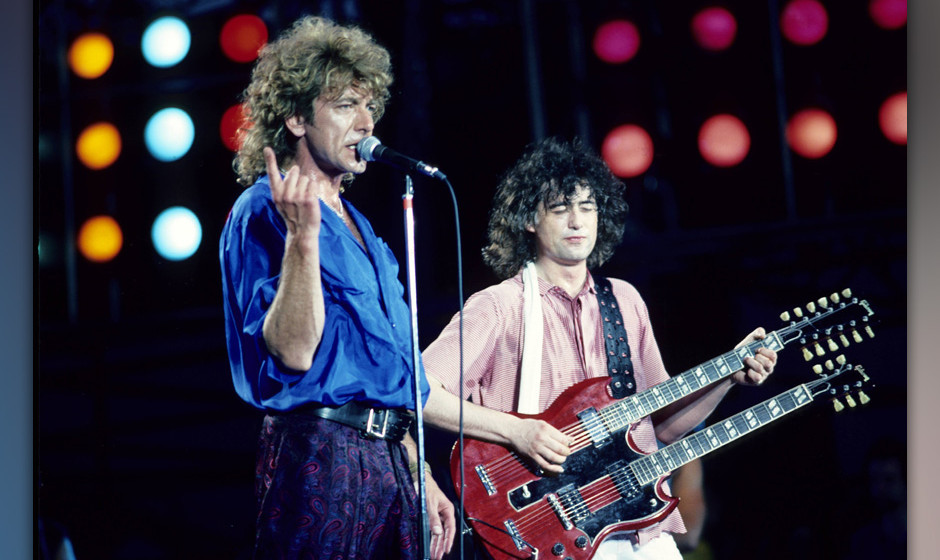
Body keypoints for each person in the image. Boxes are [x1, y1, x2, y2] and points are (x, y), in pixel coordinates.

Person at [421, 137, 777, 559]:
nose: (577, 221)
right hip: (547, 532)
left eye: (587, 207)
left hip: (643, 530)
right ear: (530, 219)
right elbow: (417, 391)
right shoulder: (499, 306)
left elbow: (658, 428)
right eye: (560, 208)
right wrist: (516, 430)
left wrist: (728, 378)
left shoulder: (624, 301)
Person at [219, 16, 454, 560]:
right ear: (298, 117)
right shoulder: (262, 210)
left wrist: (422, 472)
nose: (367, 123)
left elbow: (390, 378)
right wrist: (302, 240)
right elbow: (295, 350)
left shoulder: (365, 231)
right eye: (347, 105)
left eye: (371, 106)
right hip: (320, 455)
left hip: (391, 457)